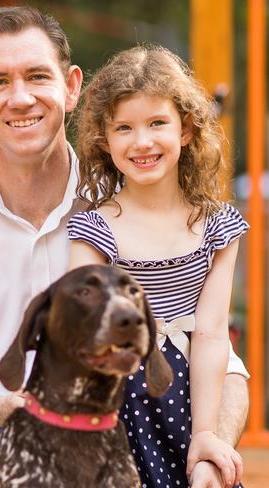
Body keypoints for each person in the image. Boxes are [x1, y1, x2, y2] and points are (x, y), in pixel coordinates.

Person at [0, 6, 250, 488]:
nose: (20, 98)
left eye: (37, 76)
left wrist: (209, 446)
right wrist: (16, 411)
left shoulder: (130, 209)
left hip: (119, 443)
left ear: (72, 86)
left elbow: (214, 357)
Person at [67, 45, 246, 488]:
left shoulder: (217, 227)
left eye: (157, 123)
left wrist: (205, 434)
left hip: (190, 396)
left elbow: (209, 333)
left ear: (185, 130)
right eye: (124, 127)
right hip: (120, 403)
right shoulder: (94, 229)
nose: (142, 141)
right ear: (105, 141)